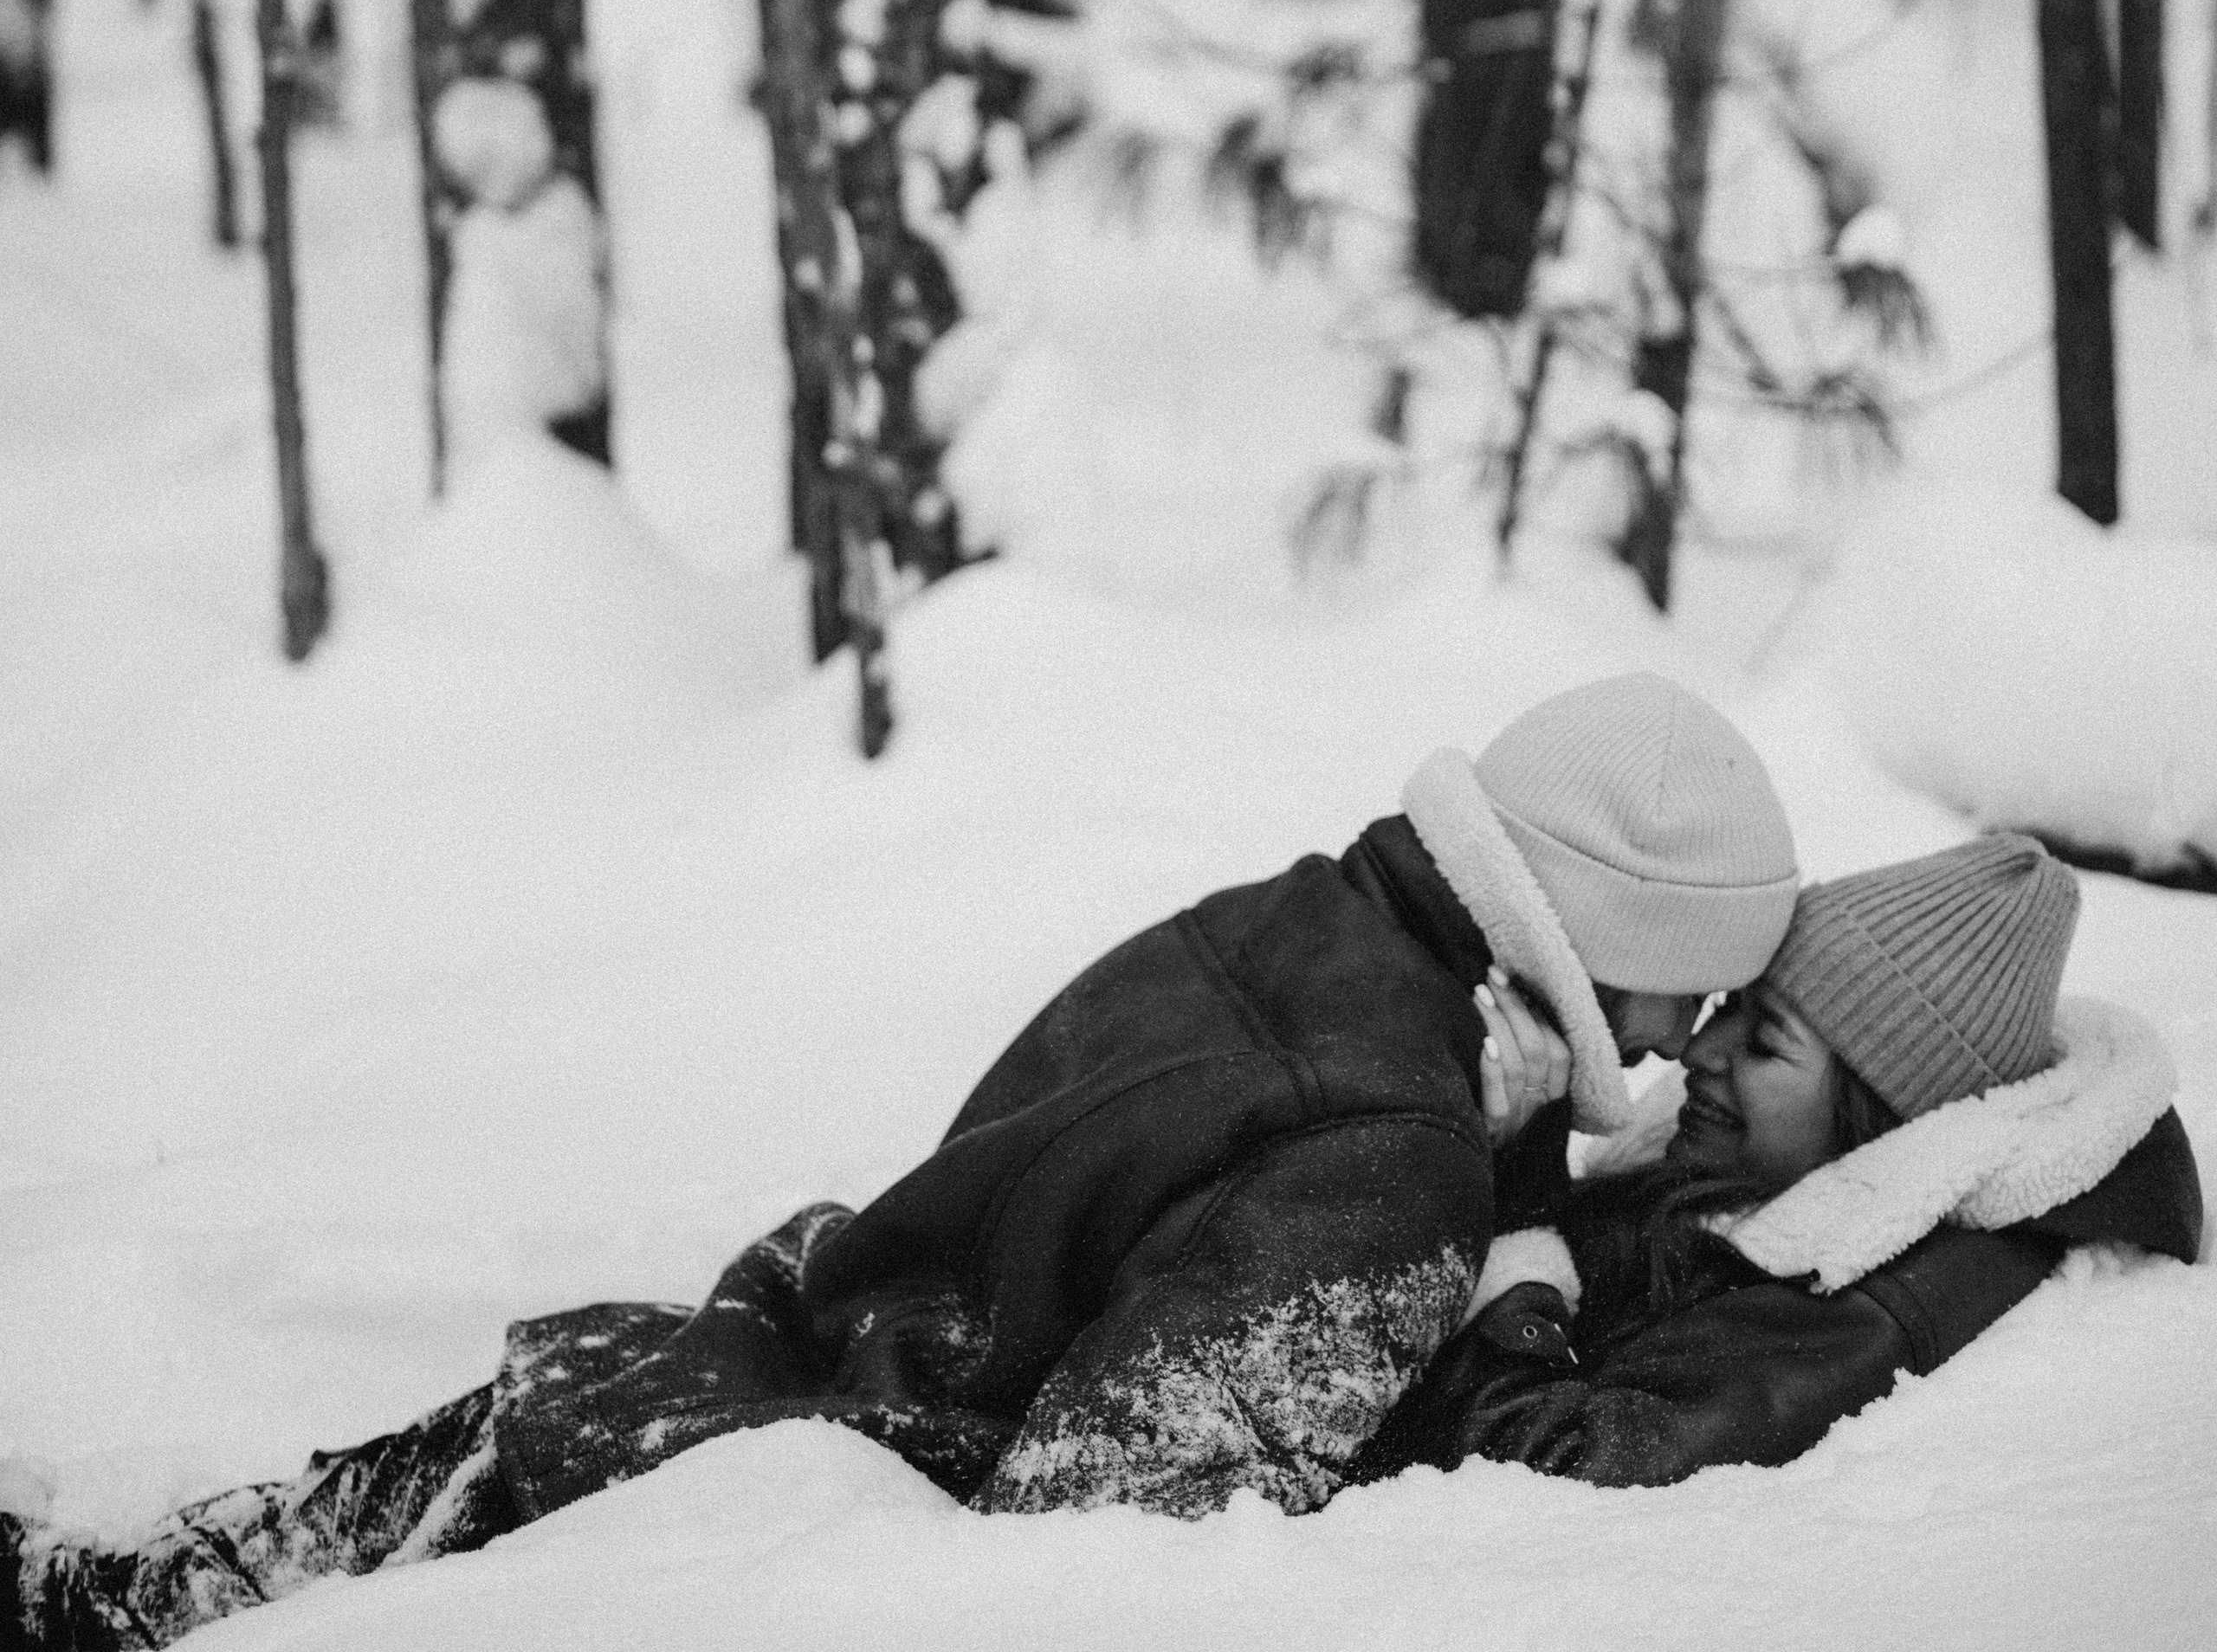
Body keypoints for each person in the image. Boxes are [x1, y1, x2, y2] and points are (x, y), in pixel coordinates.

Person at [4, 674, 1797, 1643]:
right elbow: (1108, 1543)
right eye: (1677, 990)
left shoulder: (1302, 925)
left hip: (692, 1386)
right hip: (755, 1538)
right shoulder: (1389, 1163)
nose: (1671, 1049)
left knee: (137, 1601)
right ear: (1586, 932)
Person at [1355, 831, 2202, 1491]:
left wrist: (1520, 1242)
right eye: (1727, 1008)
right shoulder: (1760, 1193)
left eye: (1763, 1040)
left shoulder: (1890, 1287)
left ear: (1879, 1120)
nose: (1698, 1049)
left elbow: (1570, 1471)